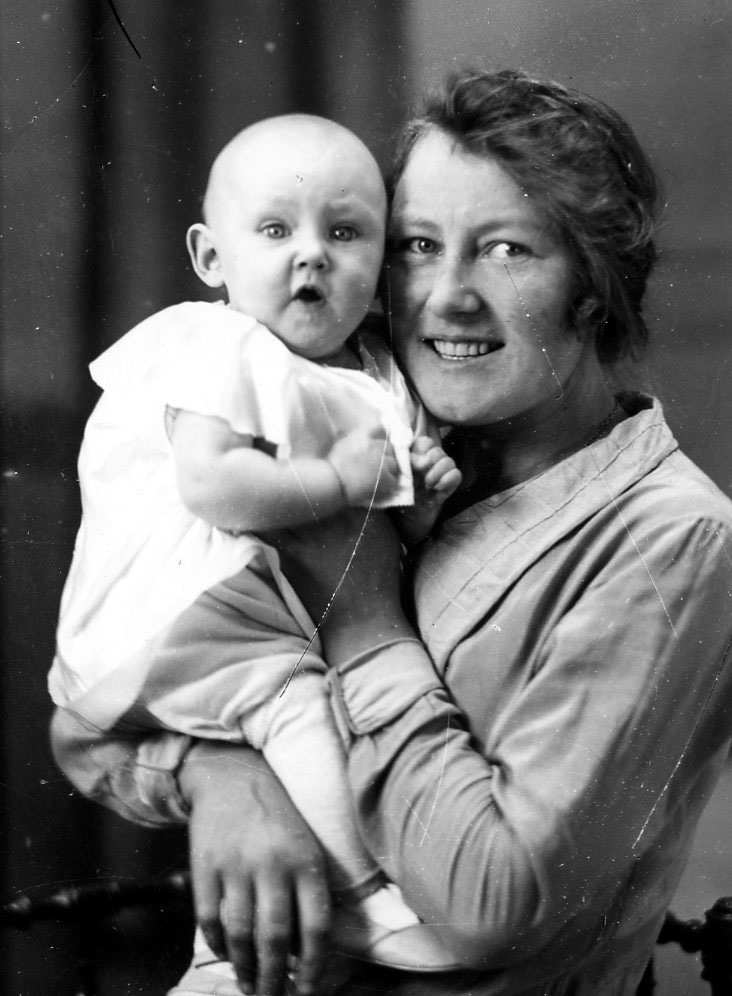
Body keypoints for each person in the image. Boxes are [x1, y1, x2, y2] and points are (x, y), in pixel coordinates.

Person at [51, 69, 732, 996]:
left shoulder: (671, 541)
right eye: (417, 245)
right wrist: (222, 775)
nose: (446, 296)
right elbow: (89, 722)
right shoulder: (367, 435)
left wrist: (364, 620)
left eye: (506, 249)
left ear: (594, 288)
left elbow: (491, 906)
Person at [47, 114, 462, 974]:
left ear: (381, 261)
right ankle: (363, 900)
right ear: (211, 257)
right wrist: (342, 480)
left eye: (344, 233)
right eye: (275, 231)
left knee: (313, 739)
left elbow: (389, 537)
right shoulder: (217, 344)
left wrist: (420, 495)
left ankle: (232, 966)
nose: (311, 255)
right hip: (175, 614)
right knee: (300, 709)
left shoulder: (376, 374)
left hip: (247, 624)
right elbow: (214, 485)